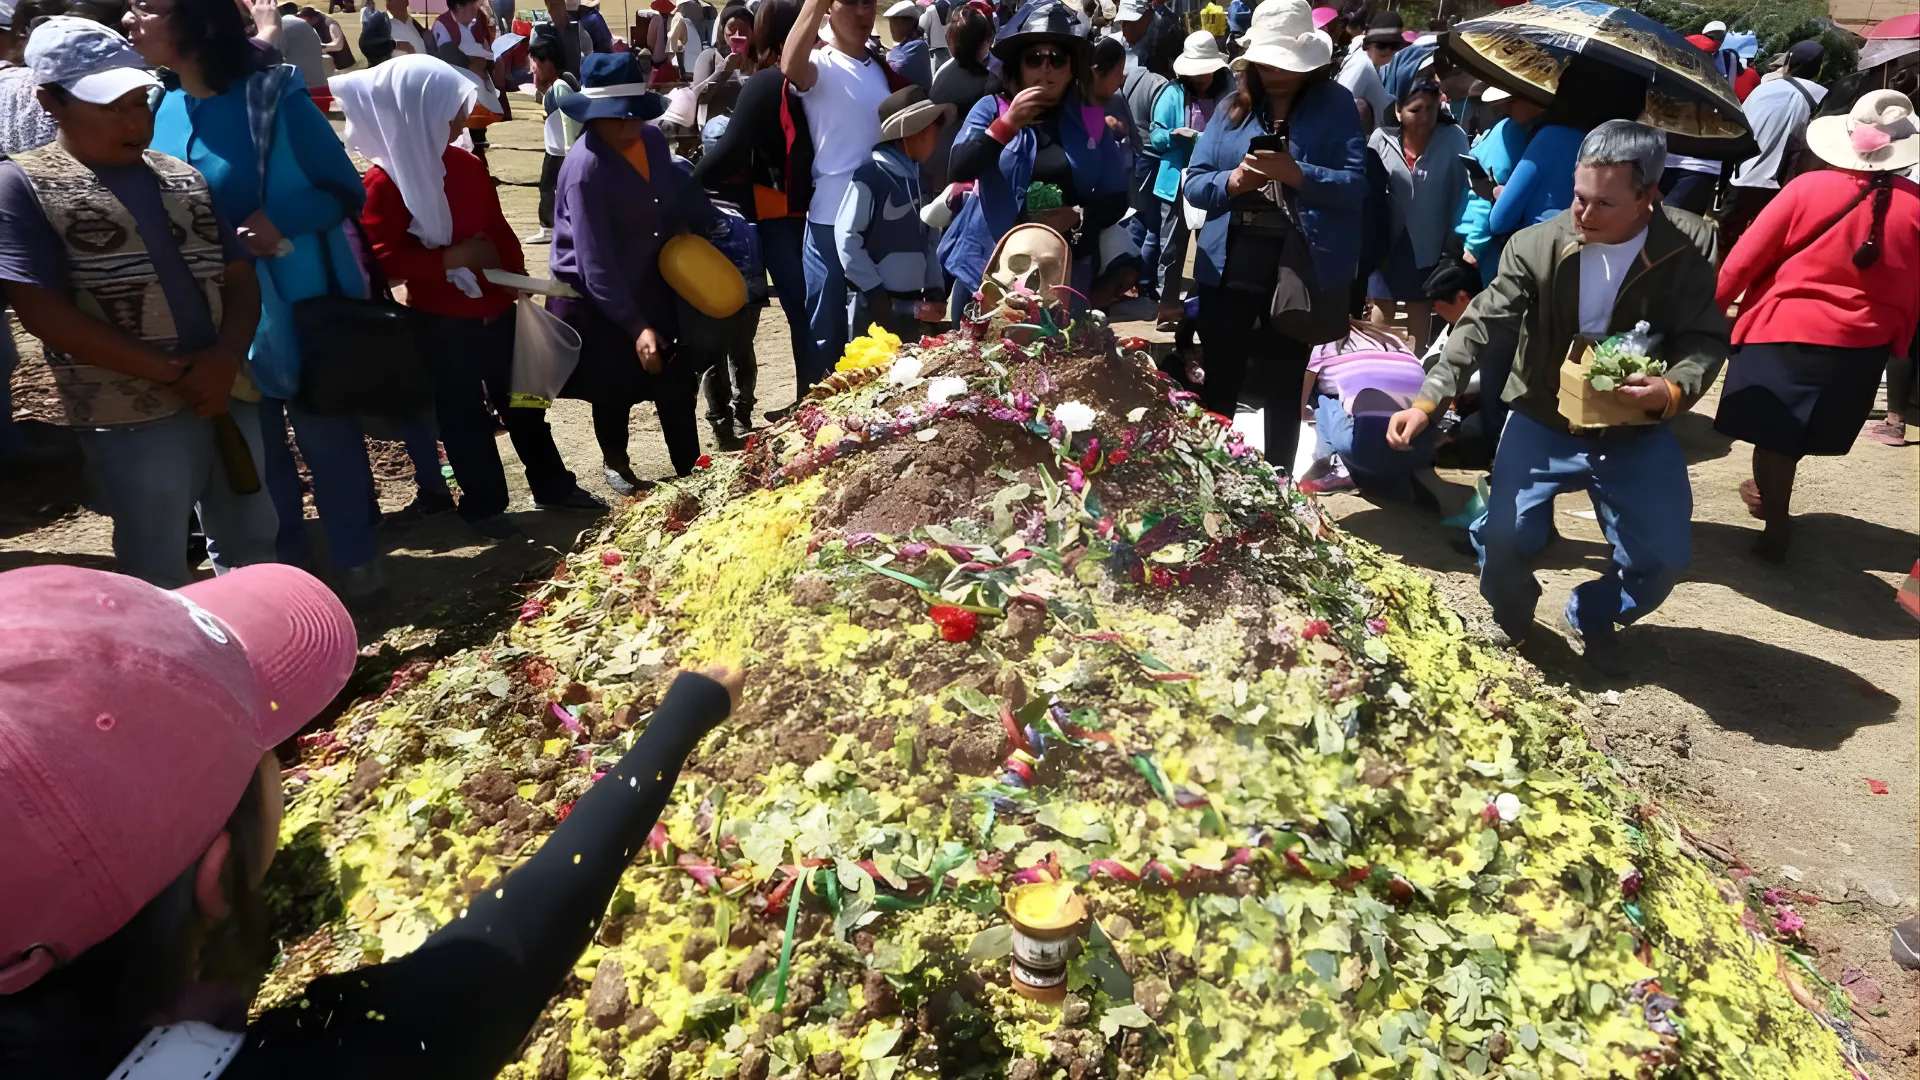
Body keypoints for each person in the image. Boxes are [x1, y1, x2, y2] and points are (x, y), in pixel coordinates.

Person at [0, 561, 742, 1080]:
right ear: (219, 878)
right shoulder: (324, 1062)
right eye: (268, 745)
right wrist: (686, 712)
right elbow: (506, 950)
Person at [1387, 121, 1727, 672]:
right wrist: (1430, 399)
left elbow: (1704, 338)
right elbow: (1480, 324)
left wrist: (1671, 388)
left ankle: (1596, 612)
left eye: (1604, 204)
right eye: (1578, 197)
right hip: (1543, 415)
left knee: (1662, 557)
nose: (1583, 215)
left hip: (1632, 427)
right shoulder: (1538, 243)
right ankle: (1514, 615)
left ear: (1649, 197)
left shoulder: (1691, 245)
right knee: (1504, 543)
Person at [0, 17, 278, 587]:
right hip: (129, 414)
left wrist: (224, 358)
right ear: (49, 100)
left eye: (140, 102)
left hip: (226, 391)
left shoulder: (181, 178)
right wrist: (175, 372)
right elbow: (44, 313)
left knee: (252, 538)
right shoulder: (24, 186)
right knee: (156, 559)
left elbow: (239, 277)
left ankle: (267, 658)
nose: (135, 122)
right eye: (111, 108)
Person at [131, 0, 388, 598]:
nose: (130, 19)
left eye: (148, 7)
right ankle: (284, 580)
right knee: (254, 453)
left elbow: (345, 189)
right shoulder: (151, 108)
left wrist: (280, 219)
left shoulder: (271, 96)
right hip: (215, 322)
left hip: (304, 308)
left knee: (328, 441)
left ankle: (357, 560)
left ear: (195, 20)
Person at [338, 55, 603, 540]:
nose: (461, 120)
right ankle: (484, 503)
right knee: (463, 417)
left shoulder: (463, 163)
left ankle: (552, 484)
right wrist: (450, 259)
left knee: (525, 400)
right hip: (440, 323)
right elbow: (383, 262)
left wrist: (516, 281)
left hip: (498, 309)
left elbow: (498, 231)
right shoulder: (383, 182)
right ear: (413, 111)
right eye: (449, 110)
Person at [1711, 90, 1920, 561]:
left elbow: (1745, 259)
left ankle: (1776, 522)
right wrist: (1900, 343)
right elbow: (1915, 287)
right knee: (1801, 431)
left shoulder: (1805, 188)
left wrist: (1711, 309)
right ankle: (1772, 498)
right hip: (1864, 341)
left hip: (1784, 329)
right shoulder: (1916, 206)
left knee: (1775, 434)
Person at [1184, 0, 1366, 473]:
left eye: (1287, 64)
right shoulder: (1231, 108)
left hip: (1298, 262)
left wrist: (1298, 173)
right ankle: (1215, 479)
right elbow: (1196, 181)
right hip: (1231, 257)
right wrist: (1233, 182)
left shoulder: (1336, 104)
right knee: (1221, 376)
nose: (1278, 73)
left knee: (1285, 382)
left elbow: (1356, 185)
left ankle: (1279, 486)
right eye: (1269, 63)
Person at [549, 52, 726, 490]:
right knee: (613, 382)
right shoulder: (585, 171)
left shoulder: (648, 141)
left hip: (653, 277)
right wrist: (635, 326)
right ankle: (616, 462)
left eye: (633, 115)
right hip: (599, 298)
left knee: (674, 375)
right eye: (616, 118)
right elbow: (595, 266)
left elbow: (671, 196)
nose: (628, 125)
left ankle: (690, 464)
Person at [941, 2, 1129, 312]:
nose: (1046, 68)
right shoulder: (991, 109)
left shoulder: (1090, 119)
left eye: (1057, 59)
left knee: (1060, 360)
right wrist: (1007, 125)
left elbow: (1116, 196)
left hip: (1063, 276)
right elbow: (958, 168)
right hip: (989, 270)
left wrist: (1080, 217)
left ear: (1071, 69)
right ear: (1018, 66)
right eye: (1034, 59)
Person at [691, 0, 812, 415]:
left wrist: (685, 183)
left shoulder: (767, 82)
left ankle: (808, 401)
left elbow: (728, 151)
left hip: (783, 213)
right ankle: (807, 397)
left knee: (803, 313)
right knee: (810, 311)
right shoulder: (814, 75)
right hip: (819, 208)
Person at [780, 0, 899, 384]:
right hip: (831, 218)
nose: (865, 13)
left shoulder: (880, 69)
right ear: (830, 9)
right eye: (854, 3)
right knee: (827, 334)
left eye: (870, 3)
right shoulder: (822, 66)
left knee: (873, 332)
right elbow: (789, 66)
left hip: (880, 220)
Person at [1484, 56, 1646, 238]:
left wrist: (1501, 194)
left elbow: (1499, 221)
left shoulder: (1552, 137)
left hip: (1543, 253)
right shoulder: (1636, 152)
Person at [836, 85, 952, 335]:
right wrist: (875, 292)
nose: (938, 136)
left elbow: (930, 241)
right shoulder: (871, 176)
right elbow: (846, 238)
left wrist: (934, 288)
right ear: (912, 132)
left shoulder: (922, 181)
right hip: (871, 304)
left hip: (913, 304)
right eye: (934, 127)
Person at [1364, 76, 1464, 354]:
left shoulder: (1453, 138)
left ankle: (1414, 369)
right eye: (1415, 110)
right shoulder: (1380, 138)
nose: (1424, 117)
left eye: (1430, 109)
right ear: (1399, 111)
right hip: (1386, 238)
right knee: (1381, 305)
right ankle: (1379, 367)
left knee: (1419, 306)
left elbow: (1461, 193)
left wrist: (1454, 243)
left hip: (1429, 241)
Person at [1147, 29, 1231, 328]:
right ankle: (1168, 307)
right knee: (1171, 246)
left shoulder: (1229, 95)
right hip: (1175, 180)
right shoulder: (1171, 93)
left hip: (1214, 180)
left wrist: (1205, 139)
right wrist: (1171, 136)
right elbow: (1155, 136)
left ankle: (1202, 305)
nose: (1199, 79)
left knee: (1212, 246)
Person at [1297, 323, 1434, 496]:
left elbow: (1300, 406)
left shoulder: (1324, 344)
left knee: (1324, 402)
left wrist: (1306, 411)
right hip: (1423, 449)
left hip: (1365, 451)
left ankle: (1334, 465)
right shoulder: (1394, 342)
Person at [1723, 39, 1826, 247]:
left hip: (1743, 176)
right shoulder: (1822, 97)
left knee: (1725, 240)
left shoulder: (1762, 90)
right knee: (1764, 245)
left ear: (1788, 62)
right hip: (1783, 187)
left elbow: (1740, 127)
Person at [1455, 83, 1541, 286]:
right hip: (1477, 241)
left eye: (1509, 103)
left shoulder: (1511, 133)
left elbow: (1489, 193)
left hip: (1482, 244)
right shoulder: (1509, 130)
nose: (1501, 109)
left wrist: (1474, 245)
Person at [926, 0, 992, 192]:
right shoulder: (990, 82)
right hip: (963, 179)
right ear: (985, 41)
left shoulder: (942, 73)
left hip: (931, 167)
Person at [524, 35, 579, 245]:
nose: (532, 69)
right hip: (555, 149)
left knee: (553, 188)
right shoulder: (555, 87)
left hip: (562, 151)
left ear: (547, 62)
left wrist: (569, 149)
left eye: (535, 64)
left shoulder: (560, 87)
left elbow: (568, 120)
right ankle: (550, 226)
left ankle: (554, 226)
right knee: (547, 187)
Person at [689, 2, 753, 124]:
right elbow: (697, 97)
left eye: (744, 29)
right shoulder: (709, 57)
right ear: (722, 30)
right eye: (732, 28)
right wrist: (723, 70)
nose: (737, 35)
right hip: (717, 133)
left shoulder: (758, 61)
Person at [1335, 8, 1396, 129]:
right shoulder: (1362, 64)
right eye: (1382, 46)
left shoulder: (1367, 64)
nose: (1389, 52)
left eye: (1394, 46)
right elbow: (1337, 106)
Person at [884, 0, 930, 90]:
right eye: (890, 22)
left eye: (895, 22)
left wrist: (888, 55)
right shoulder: (903, 45)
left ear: (912, 22)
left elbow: (895, 67)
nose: (891, 27)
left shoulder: (918, 46)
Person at [297, 4, 350, 71]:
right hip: (329, 64)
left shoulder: (330, 23)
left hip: (343, 66)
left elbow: (338, 45)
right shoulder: (310, 20)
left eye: (306, 22)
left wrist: (316, 47)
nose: (304, 24)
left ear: (314, 19)